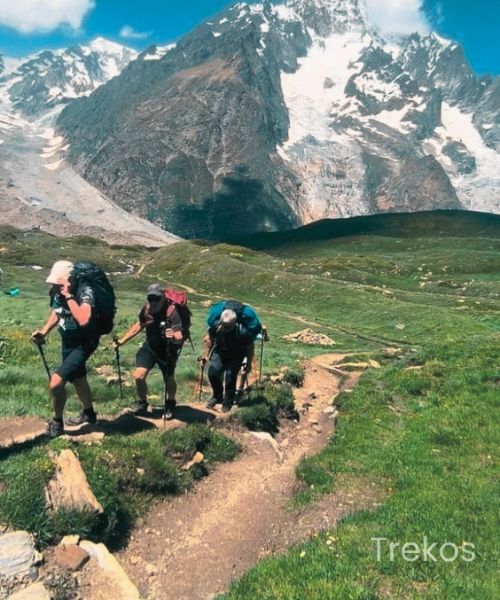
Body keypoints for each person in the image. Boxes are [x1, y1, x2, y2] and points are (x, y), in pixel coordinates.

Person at [31, 260, 100, 437]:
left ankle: (57, 422)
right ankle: (89, 414)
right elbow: (57, 311)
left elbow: (84, 319)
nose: (55, 286)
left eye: (58, 282)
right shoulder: (57, 291)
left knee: (56, 382)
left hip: (84, 343)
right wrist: (44, 332)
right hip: (68, 342)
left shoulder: (85, 291)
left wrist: (68, 295)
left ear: (70, 279)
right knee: (79, 378)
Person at [113, 284, 184, 420]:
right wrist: (122, 341)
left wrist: (173, 336)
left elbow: (179, 336)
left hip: (167, 351)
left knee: (168, 378)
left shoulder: (171, 311)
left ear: (163, 297)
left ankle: (170, 403)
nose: (153, 302)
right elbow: (139, 325)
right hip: (150, 348)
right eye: (150, 298)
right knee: (139, 376)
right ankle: (142, 403)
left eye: (156, 298)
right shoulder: (147, 309)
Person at [201, 308, 254, 412]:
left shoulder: (243, 332)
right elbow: (209, 340)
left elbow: (250, 348)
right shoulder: (215, 327)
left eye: (228, 327)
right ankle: (217, 396)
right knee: (213, 373)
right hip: (220, 352)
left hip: (236, 355)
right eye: (223, 325)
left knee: (230, 376)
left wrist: (248, 363)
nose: (225, 328)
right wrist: (206, 355)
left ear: (234, 323)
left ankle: (228, 402)